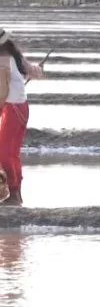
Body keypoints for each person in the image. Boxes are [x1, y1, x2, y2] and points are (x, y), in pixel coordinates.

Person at [0, 28, 45, 207]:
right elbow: (34, 72)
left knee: (3, 152)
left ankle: (13, 192)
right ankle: (16, 193)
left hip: (12, 108)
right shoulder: (15, 55)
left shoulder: (2, 60)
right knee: (12, 153)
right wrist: (39, 69)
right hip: (22, 108)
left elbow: (2, 93)